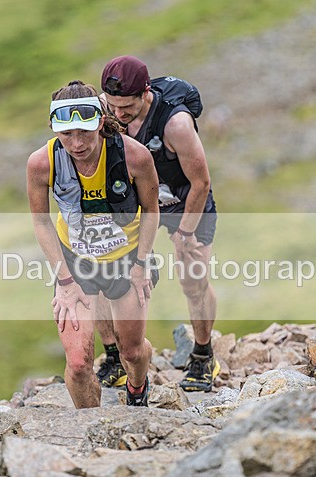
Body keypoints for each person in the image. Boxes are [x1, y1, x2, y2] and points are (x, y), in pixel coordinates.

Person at [26, 80, 160, 408]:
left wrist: (142, 264)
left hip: (126, 259)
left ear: (101, 122)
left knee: (131, 350)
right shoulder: (41, 164)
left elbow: (152, 211)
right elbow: (41, 222)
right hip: (76, 261)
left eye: (85, 132)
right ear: (54, 129)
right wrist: (64, 280)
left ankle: (137, 389)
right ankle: (93, 429)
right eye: (66, 134)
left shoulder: (135, 157)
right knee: (78, 364)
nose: (76, 143)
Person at [96, 55, 219, 393]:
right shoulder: (107, 111)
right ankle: (112, 357)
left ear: (145, 93)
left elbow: (201, 182)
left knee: (193, 279)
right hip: (139, 202)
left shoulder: (175, 124)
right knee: (105, 273)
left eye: (127, 108)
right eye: (112, 107)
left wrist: (185, 233)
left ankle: (203, 354)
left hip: (186, 201)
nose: (118, 115)